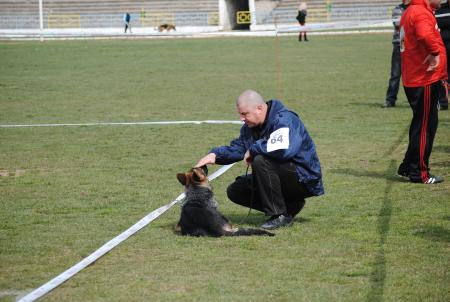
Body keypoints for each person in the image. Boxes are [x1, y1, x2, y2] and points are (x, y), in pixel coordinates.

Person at [196, 90, 324, 230]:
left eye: (245, 114)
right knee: (236, 190)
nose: (241, 118)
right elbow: (239, 148)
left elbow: (283, 149)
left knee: (260, 160)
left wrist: (253, 149)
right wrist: (215, 156)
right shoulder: (250, 127)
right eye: (240, 114)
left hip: (304, 179)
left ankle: (279, 215)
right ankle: (290, 206)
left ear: (260, 108)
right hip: (283, 175)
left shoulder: (285, 120)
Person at [397, 0, 447, 184]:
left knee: (420, 124)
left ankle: (408, 166)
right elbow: (424, 34)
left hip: (415, 76)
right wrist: (435, 52)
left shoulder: (413, 10)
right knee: (426, 126)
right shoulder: (419, 12)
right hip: (423, 78)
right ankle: (419, 172)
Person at [382, 0, 411, 108]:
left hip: (413, 46)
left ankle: (415, 98)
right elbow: (398, 24)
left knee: (413, 74)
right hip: (400, 44)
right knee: (395, 74)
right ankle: (390, 100)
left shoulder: (416, 8)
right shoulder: (397, 9)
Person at [436, 0, 450, 110]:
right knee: (442, 76)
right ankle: (443, 102)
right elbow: (436, 23)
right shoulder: (440, 9)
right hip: (443, 49)